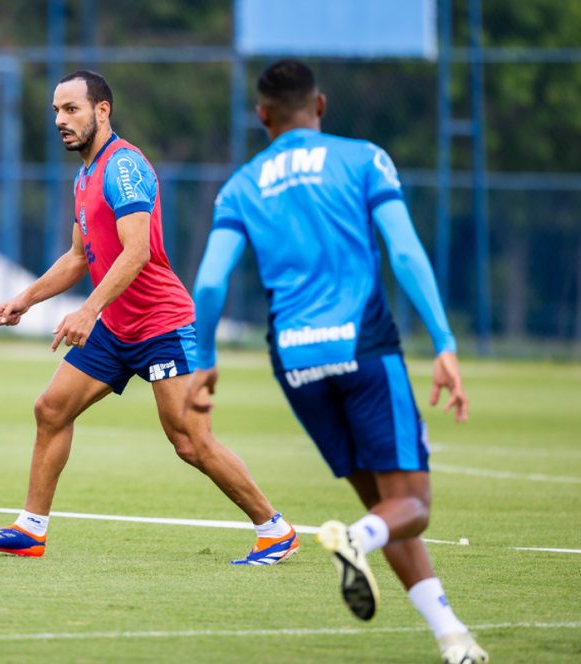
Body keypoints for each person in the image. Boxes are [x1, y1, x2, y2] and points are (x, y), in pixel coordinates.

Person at [184, 59, 488, 663]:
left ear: (262, 115)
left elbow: (212, 282)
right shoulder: (363, 159)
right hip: (363, 349)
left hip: (295, 362)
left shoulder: (241, 185)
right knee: (412, 506)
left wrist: (207, 357)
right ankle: (354, 539)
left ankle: (453, 638)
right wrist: (444, 342)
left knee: (386, 507)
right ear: (319, 105)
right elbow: (405, 251)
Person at [0, 70, 298, 565]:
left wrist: (88, 310)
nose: (60, 120)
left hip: (161, 324)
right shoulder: (85, 175)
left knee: (189, 441)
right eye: (56, 111)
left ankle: (275, 530)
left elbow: (137, 250)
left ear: (102, 111)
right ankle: (30, 530)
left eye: (71, 109)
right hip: (116, 327)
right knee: (51, 409)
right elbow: (78, 257)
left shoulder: (123, 165)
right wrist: (25, 299)